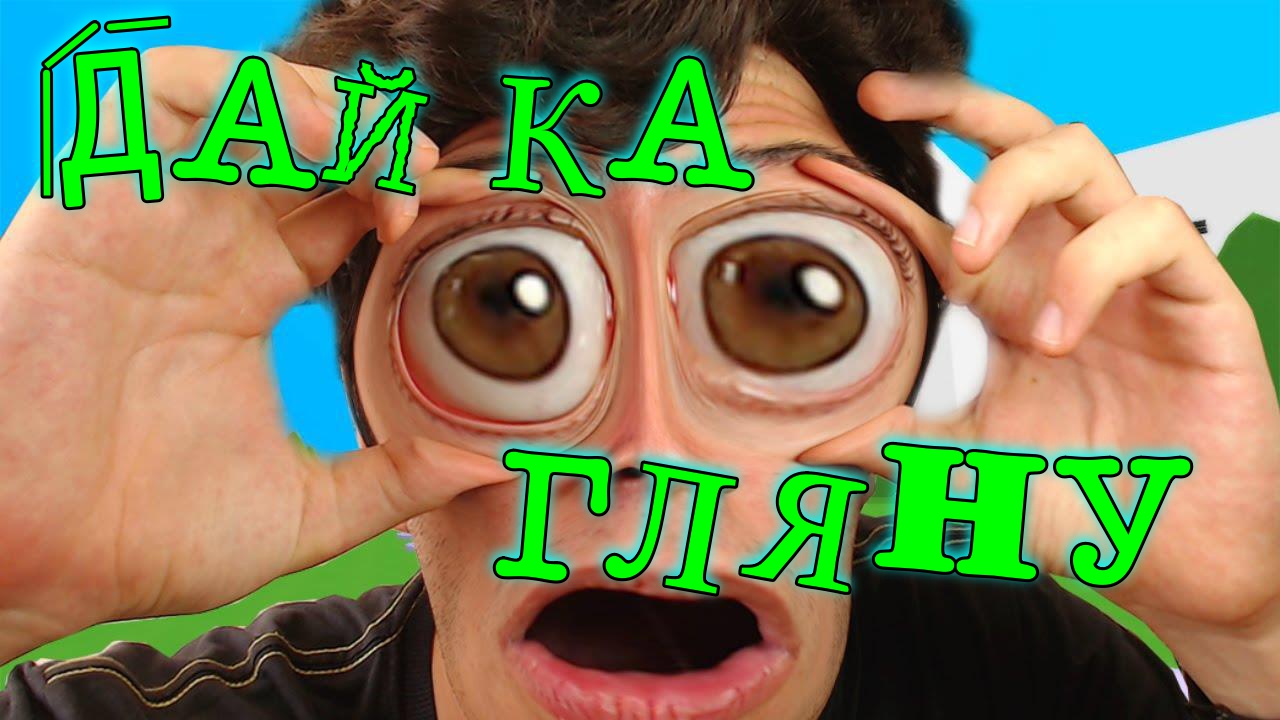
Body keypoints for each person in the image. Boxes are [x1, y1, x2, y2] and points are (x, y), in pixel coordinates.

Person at [1, 0, 1277, 718]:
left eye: (785, 297)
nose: (650, 449)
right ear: (365, 384)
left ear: (903, 369)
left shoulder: (1017, 682)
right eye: (503, 307)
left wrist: (1256, 638)